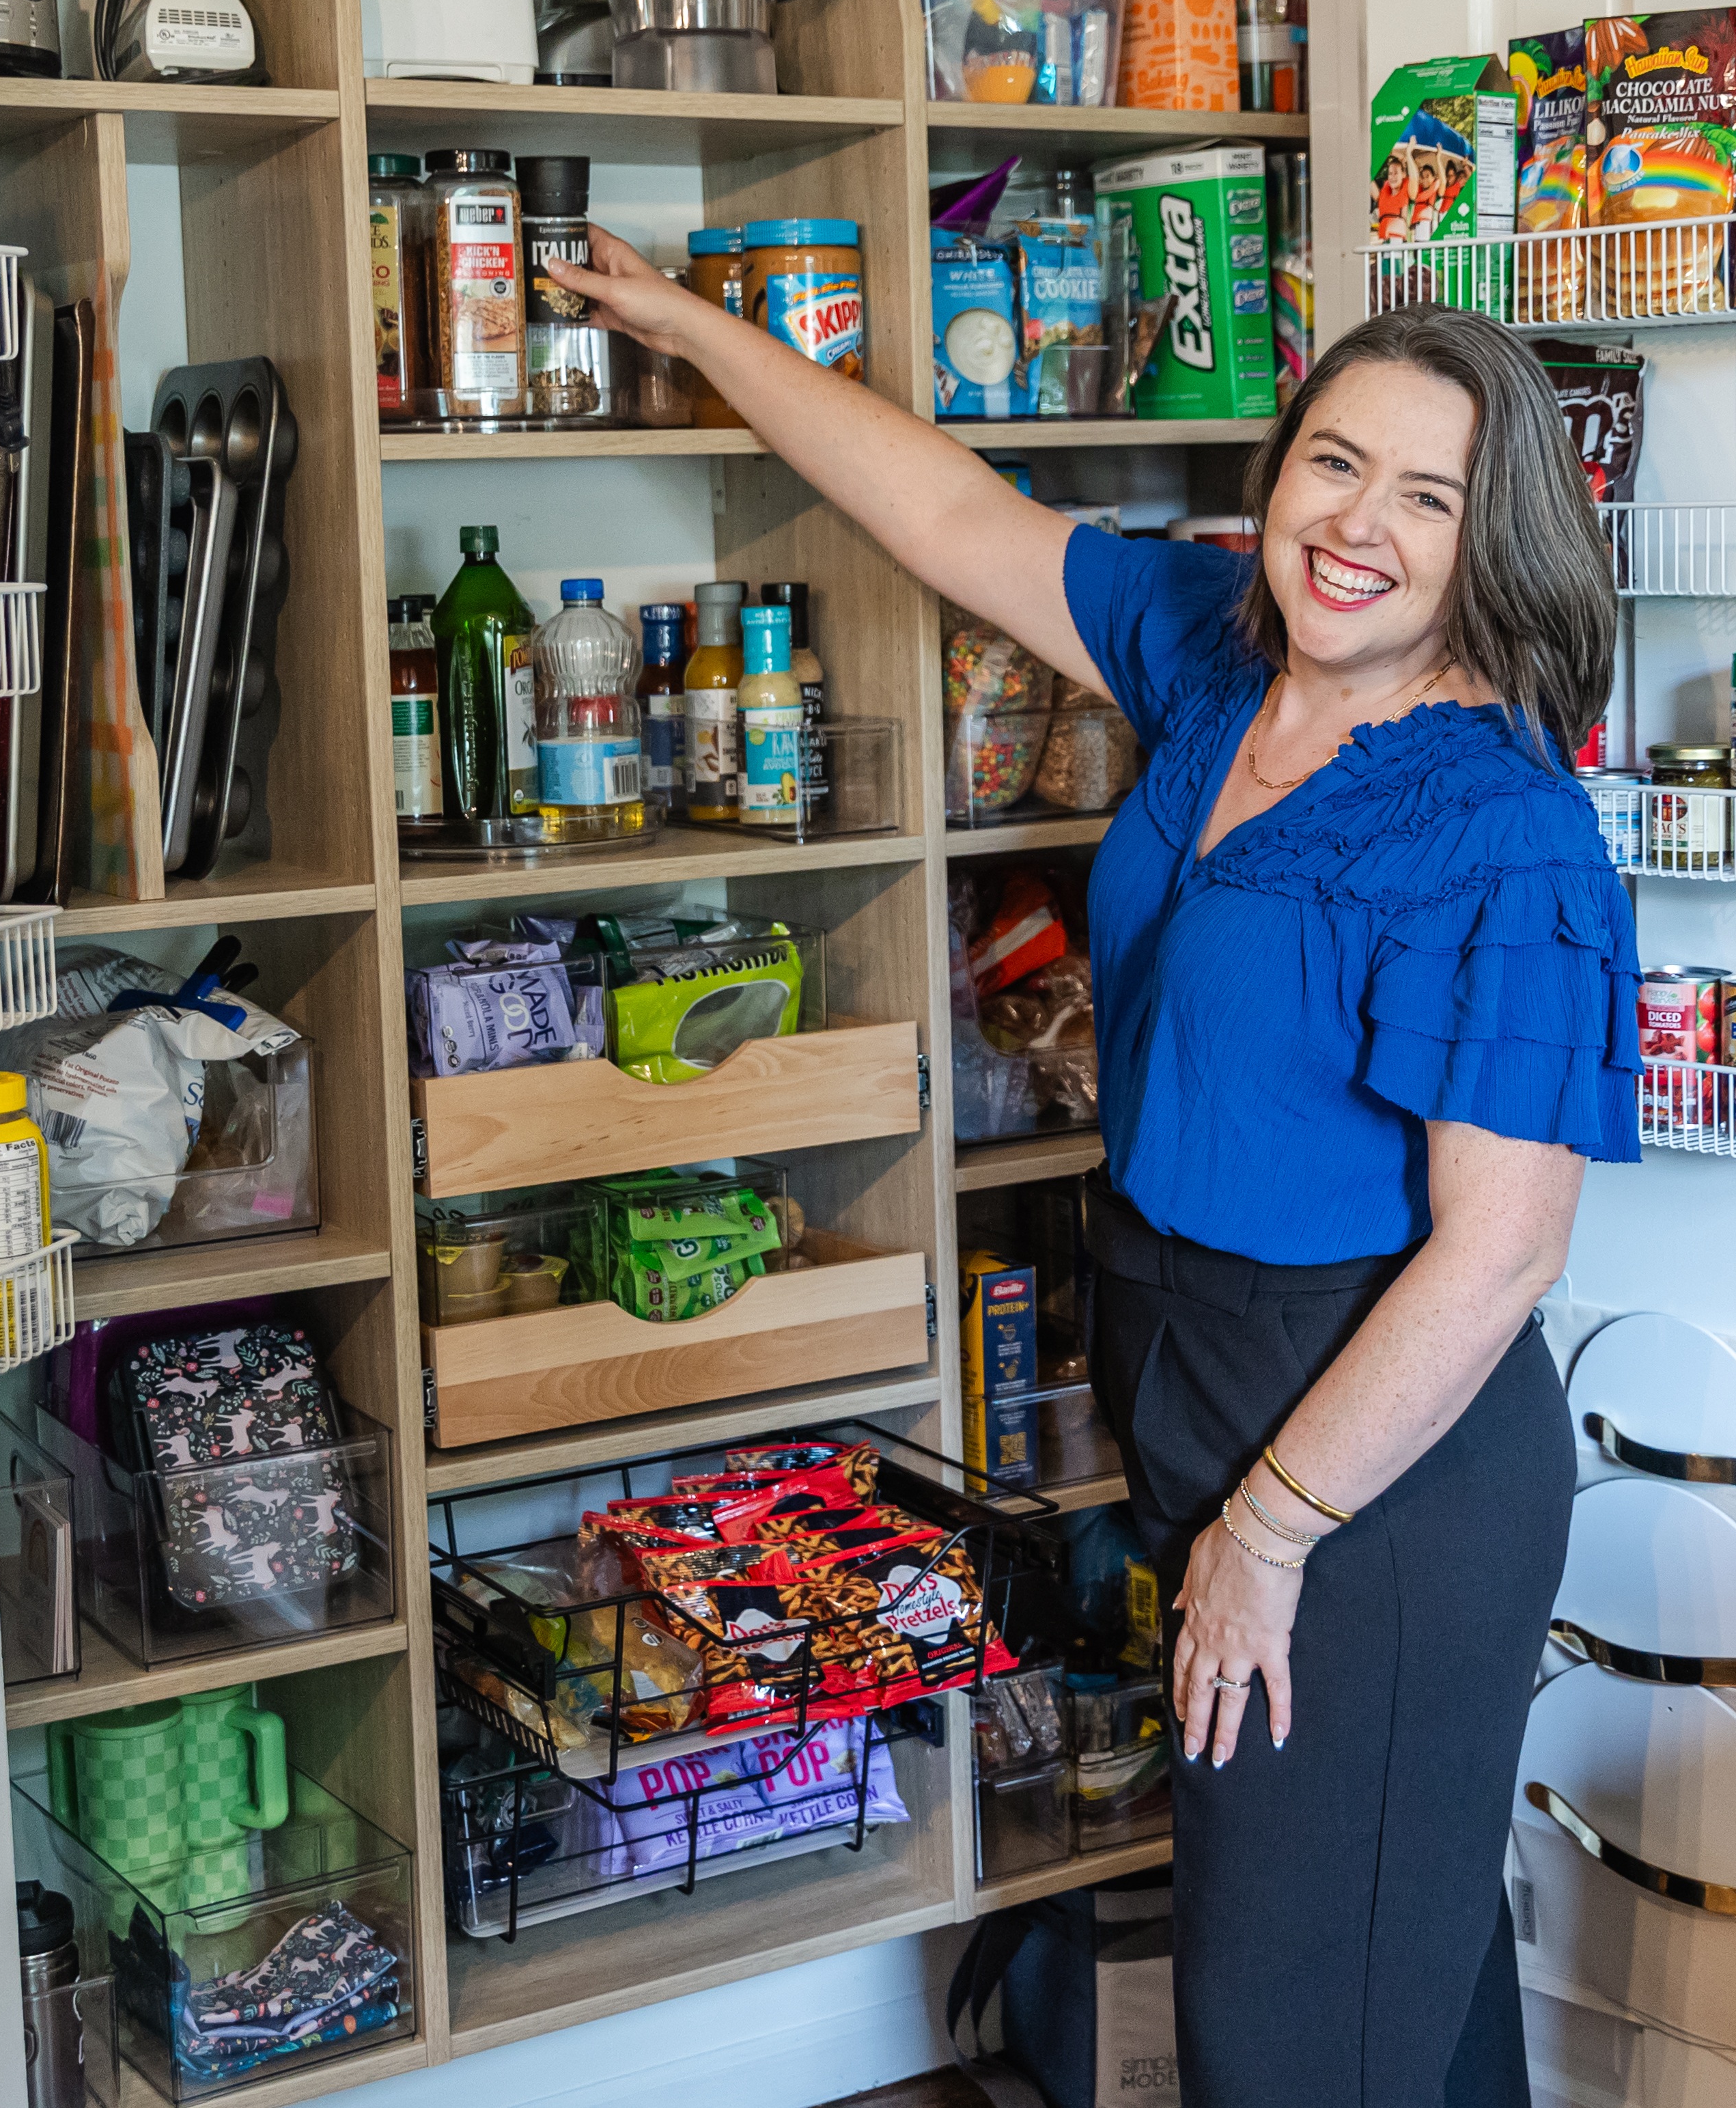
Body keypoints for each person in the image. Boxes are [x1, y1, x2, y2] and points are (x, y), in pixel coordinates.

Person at [547, 240, 1639, 2107]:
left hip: (1372, 1477)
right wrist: (689, 328)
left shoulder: (1499, 832)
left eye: (1426, 494)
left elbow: (1498, 1255)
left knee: (1287, 2026)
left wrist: (1270, 1538)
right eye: (1331, 463)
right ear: (1274, 471)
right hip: (1206, 1388)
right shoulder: (1221, 667)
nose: (1357, 523)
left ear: (1497, 541)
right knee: (1399, 1989)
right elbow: (951, 511)